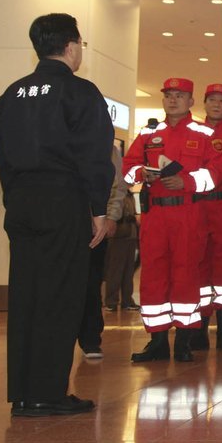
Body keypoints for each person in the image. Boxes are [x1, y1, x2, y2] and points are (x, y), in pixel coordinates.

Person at [0, 12, 113, 416]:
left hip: (22, 201)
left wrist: (16, 199)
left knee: (25, 295)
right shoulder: (80, 92)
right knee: (60, 295)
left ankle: (23, 393)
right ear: (71, 46)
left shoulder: (11, 94)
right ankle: (48, 393)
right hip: (63, 201)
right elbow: (94, 157)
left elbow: (3, 158)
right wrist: (98, 209)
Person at [123, 77, 222, 363]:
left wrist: (186, 182)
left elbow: (216, 173)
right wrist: (142, 173)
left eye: (179, 95)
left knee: (186, 275)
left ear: (191, 101)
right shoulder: (149, 133)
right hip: (155, 214)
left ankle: (183, 341)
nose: (173, 99)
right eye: (169, 94)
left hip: (188, 213)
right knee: (153, 276)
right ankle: (157, 341)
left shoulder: (205, 133)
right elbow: (127, 168)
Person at [192, 83, 222, 352]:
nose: (217, 105)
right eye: (212, 100)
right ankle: (199, 330)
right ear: (204, 103)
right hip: (197, 208)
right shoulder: (194, 132)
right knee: (198, 267)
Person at [78, 145, 127, 359]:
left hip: (93, 225)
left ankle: (90, 339)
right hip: (61, 222)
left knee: (91, 282)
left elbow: (116, 183)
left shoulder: (104, 143)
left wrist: (111, 216)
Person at [103, 170, 140, 310]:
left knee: (128, 271)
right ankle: (111, 301)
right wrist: (132, 218)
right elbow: (115, 213)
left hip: (130, 235)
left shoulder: (129, 195)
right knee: (115, 270)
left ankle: (127, 300)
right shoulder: (116, 195)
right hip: (119, 236)